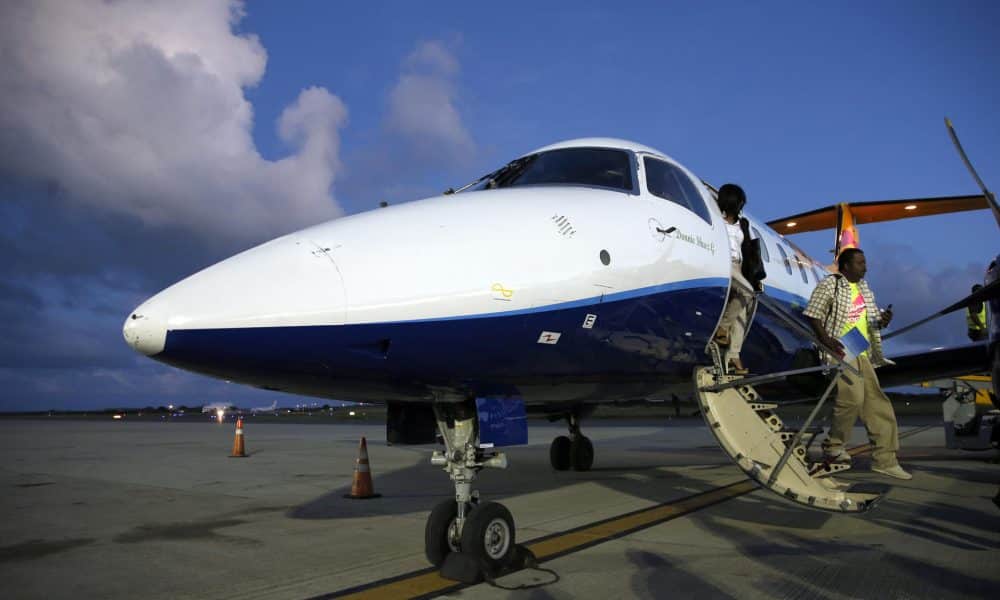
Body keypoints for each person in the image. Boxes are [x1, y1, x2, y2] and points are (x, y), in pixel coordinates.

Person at [803, 248, 911, 480]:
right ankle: (834, 446)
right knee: (852, 397)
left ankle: (885, 460)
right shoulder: (830, 284)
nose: (865, 267)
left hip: (861, 349)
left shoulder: (864, 289)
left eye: (865, 262)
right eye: (860, 263)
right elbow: (812, 314)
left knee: (878, 404)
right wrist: (825, 340)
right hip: (841, 349)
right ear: (846, 266)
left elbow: (870, 321)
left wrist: (882, 320)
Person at [711, 183, 764, 375]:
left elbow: (747, 248)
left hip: (739, 266)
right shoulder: (716, 220)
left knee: (742, 314)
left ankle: (733, 357)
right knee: (747, 292)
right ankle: (722, 328)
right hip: (724, 263)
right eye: (740, 202)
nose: (741, 206)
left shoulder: (743, 224)